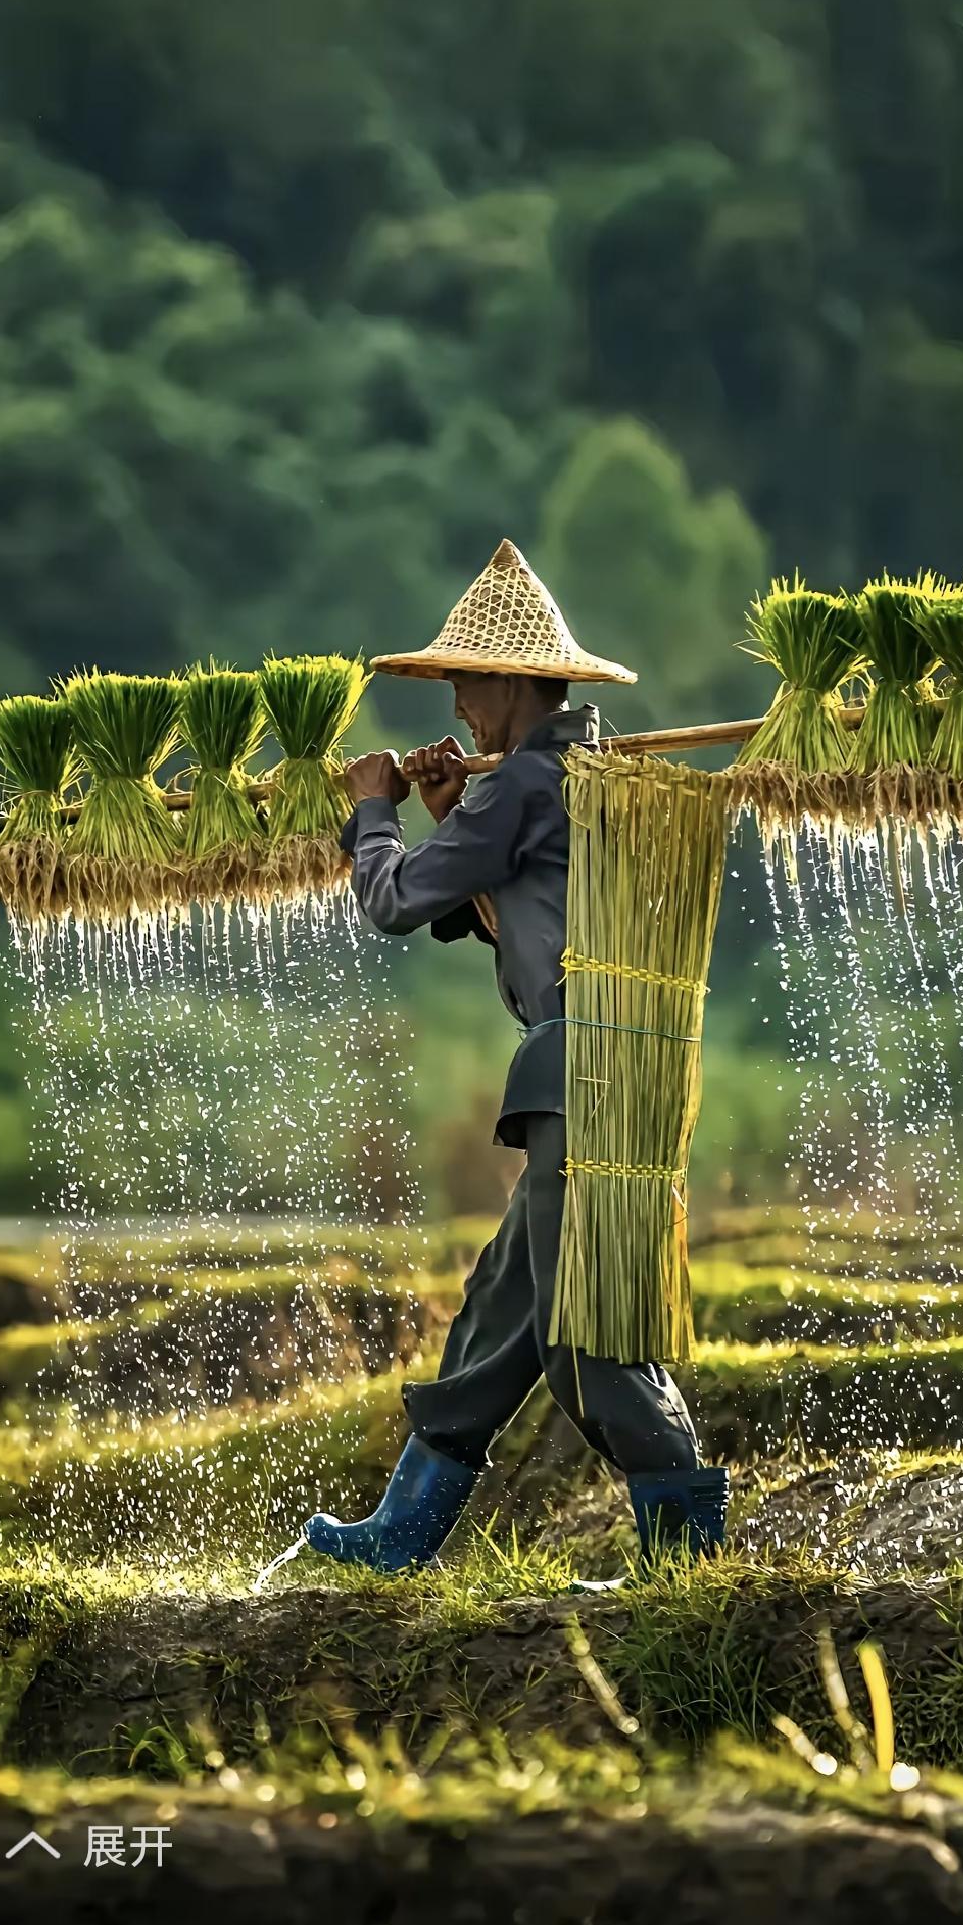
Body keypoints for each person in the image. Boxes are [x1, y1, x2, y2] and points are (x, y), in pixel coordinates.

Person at [304, 540, 729, 1575]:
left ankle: (686, 1563)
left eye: (463, 679)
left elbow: (396, 899)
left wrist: (375, 808)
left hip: (578, 1074)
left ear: (508, 680)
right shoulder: (580, 778)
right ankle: (402, 1534)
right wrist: (456, 813)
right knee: (503, 1306)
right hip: (610, 1068)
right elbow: (523, 921)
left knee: (583, 1333)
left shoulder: (529, 783)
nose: (455, 701)